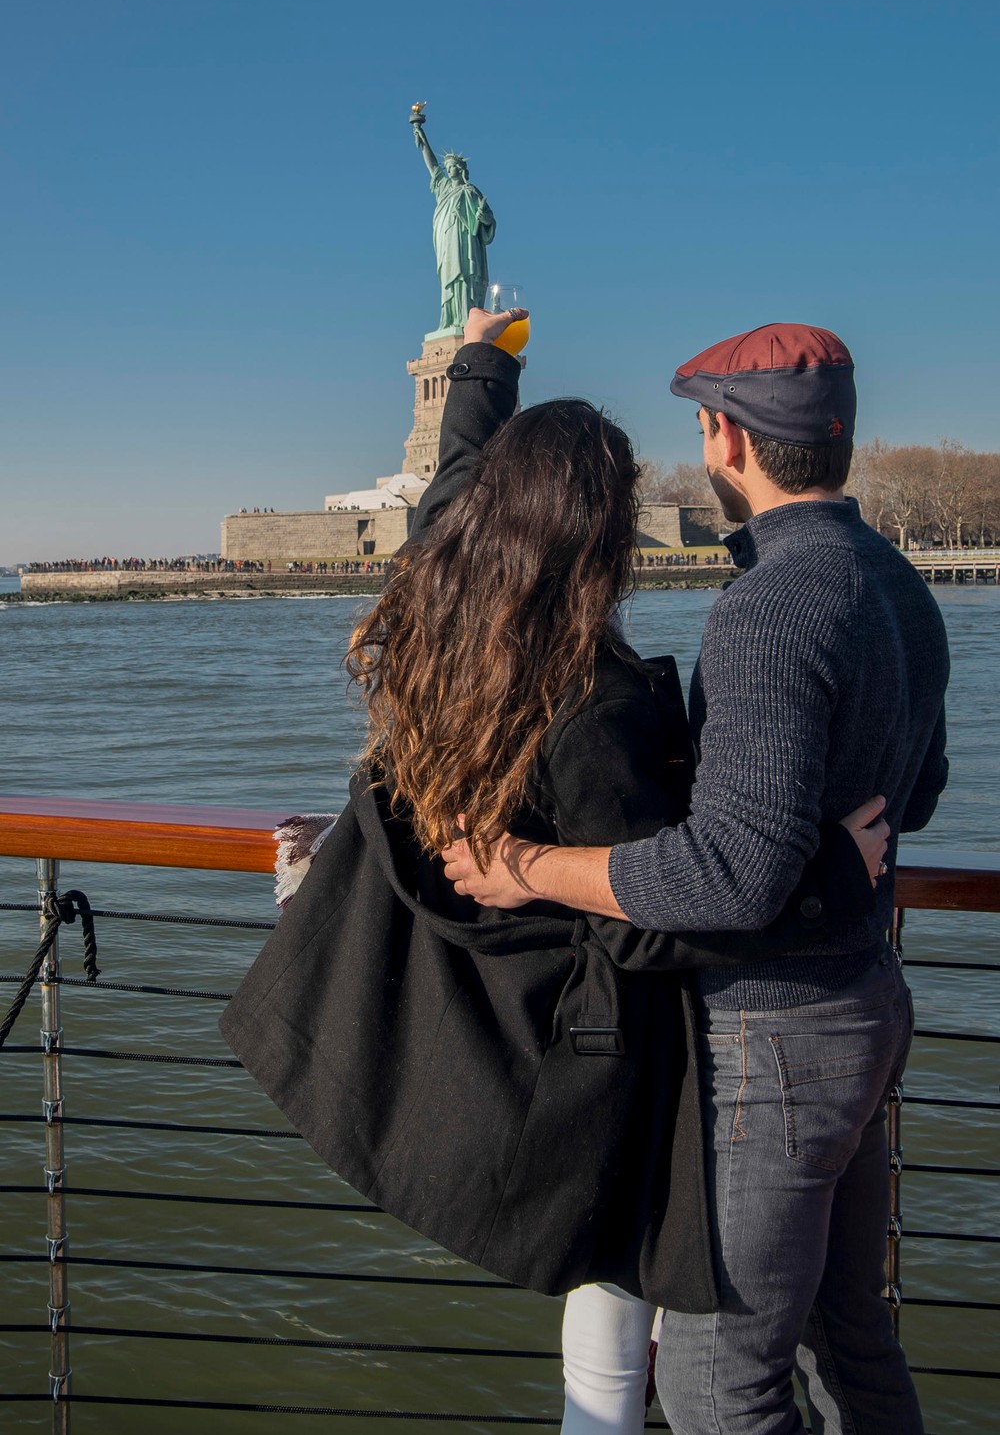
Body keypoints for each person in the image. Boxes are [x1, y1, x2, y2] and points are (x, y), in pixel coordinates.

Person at [220, 313, 887, 1430]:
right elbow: (656, 911)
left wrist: (485, 360)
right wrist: (825, 871)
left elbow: (453, 480)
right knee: (625, 1297)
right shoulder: (596, 703)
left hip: (482, 1011)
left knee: (606, 1313)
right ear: (604, 534)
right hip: (591, 1051)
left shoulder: (432, 606)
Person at [443, 323, 950, 1434]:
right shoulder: (897, 583)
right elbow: (914, 796)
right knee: (846, 1342)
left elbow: (728, 874)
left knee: (719, 1385)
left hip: (774, 1042)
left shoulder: (770, 605)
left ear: (726, 436)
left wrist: (522, 864)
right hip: (867, 1006)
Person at [413, 119, 495, 332]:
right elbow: (432, 166)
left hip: (465, 241)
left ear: (460, 169)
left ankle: (467, 322)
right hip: (446, 240)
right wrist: (423, 140)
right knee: (449, 278)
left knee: (465, 276)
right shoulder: (443, 188)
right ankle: (450, 320)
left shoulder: (470, 191)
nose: (448, 170)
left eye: (451, 167)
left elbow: (487, 222)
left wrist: (483, 216)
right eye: (447, 167)